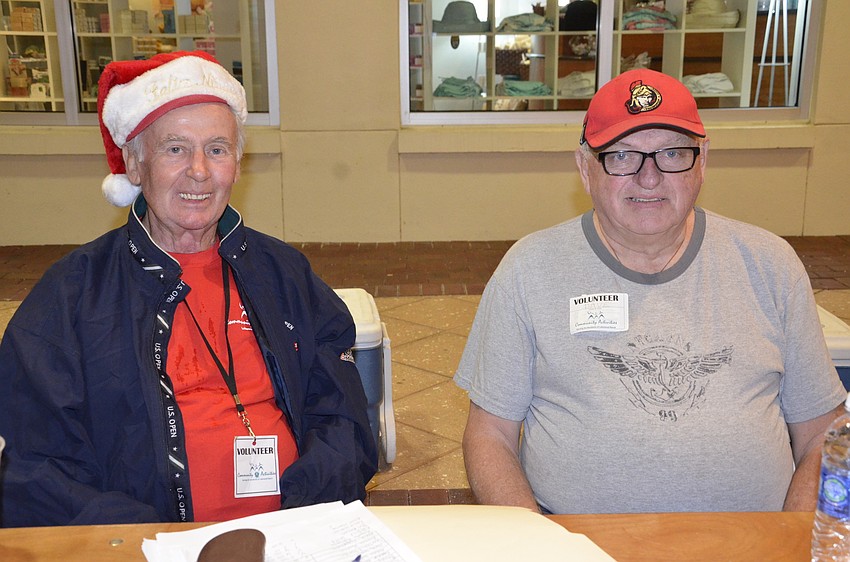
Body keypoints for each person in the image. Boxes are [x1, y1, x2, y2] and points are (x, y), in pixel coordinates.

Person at [0, 51, 377, 527]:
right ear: (134, 165)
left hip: (292, 531)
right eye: (175, 149)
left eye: (217, 149)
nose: (199, 170)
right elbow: (33, 466)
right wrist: (148, 538)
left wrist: (302, 514)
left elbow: (342, 418)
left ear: (237, 165)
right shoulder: (71, 296)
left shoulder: (284, 273)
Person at [454, 68, 847, 515]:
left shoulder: (771, 265)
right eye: (622, 156)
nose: (649, 177)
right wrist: (534, 542)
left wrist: (794, 538)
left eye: (672, 153)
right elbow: (490, 435)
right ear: (585, 168)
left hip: (753, 542)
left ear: (703, 161)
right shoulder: (528, 270)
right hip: (578, 545)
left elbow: (824, 434)